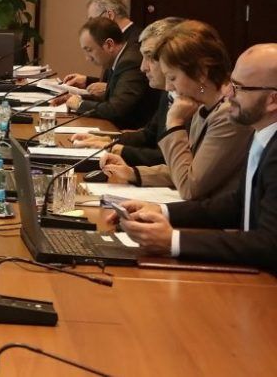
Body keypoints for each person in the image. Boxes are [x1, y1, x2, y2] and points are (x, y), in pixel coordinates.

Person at [109, 44, 277, 272]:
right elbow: (237, 205)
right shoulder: (261, 133)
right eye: (232, 83)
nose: (228, 94)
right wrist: (162, 211)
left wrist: (173, 241)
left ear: (272, 100)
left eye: (239, 88)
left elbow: (269, 244)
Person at [98, 21, 252, 200]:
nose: (169, 87)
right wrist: (134, 173)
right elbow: (186, 168)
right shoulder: (203, 106)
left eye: (172, 78)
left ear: (201, 72)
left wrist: (174, 124)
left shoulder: (228, 115)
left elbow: (189, 187)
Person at [70, 17, 184, 166]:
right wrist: (108, 140)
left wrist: (115, 149)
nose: (143, 67)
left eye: (150, 57)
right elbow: (148, 135)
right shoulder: (169, 92)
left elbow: (167, 160)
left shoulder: (193, 102)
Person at [55, 17, 159, 129]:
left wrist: (80, 104)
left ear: (109, 45)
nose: (87, 58)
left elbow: (116, 109)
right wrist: (76, 98)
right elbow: (110, 99)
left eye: (89, 50)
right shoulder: (118, 59)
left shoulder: (129, 62)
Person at [63, 0, 139, 98]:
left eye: (92, 20)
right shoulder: (123, 38)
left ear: (109, 15)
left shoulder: (136, 43)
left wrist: (107, 88)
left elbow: (130, 89)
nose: (90, 26)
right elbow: (116, 80)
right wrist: (87, 81)